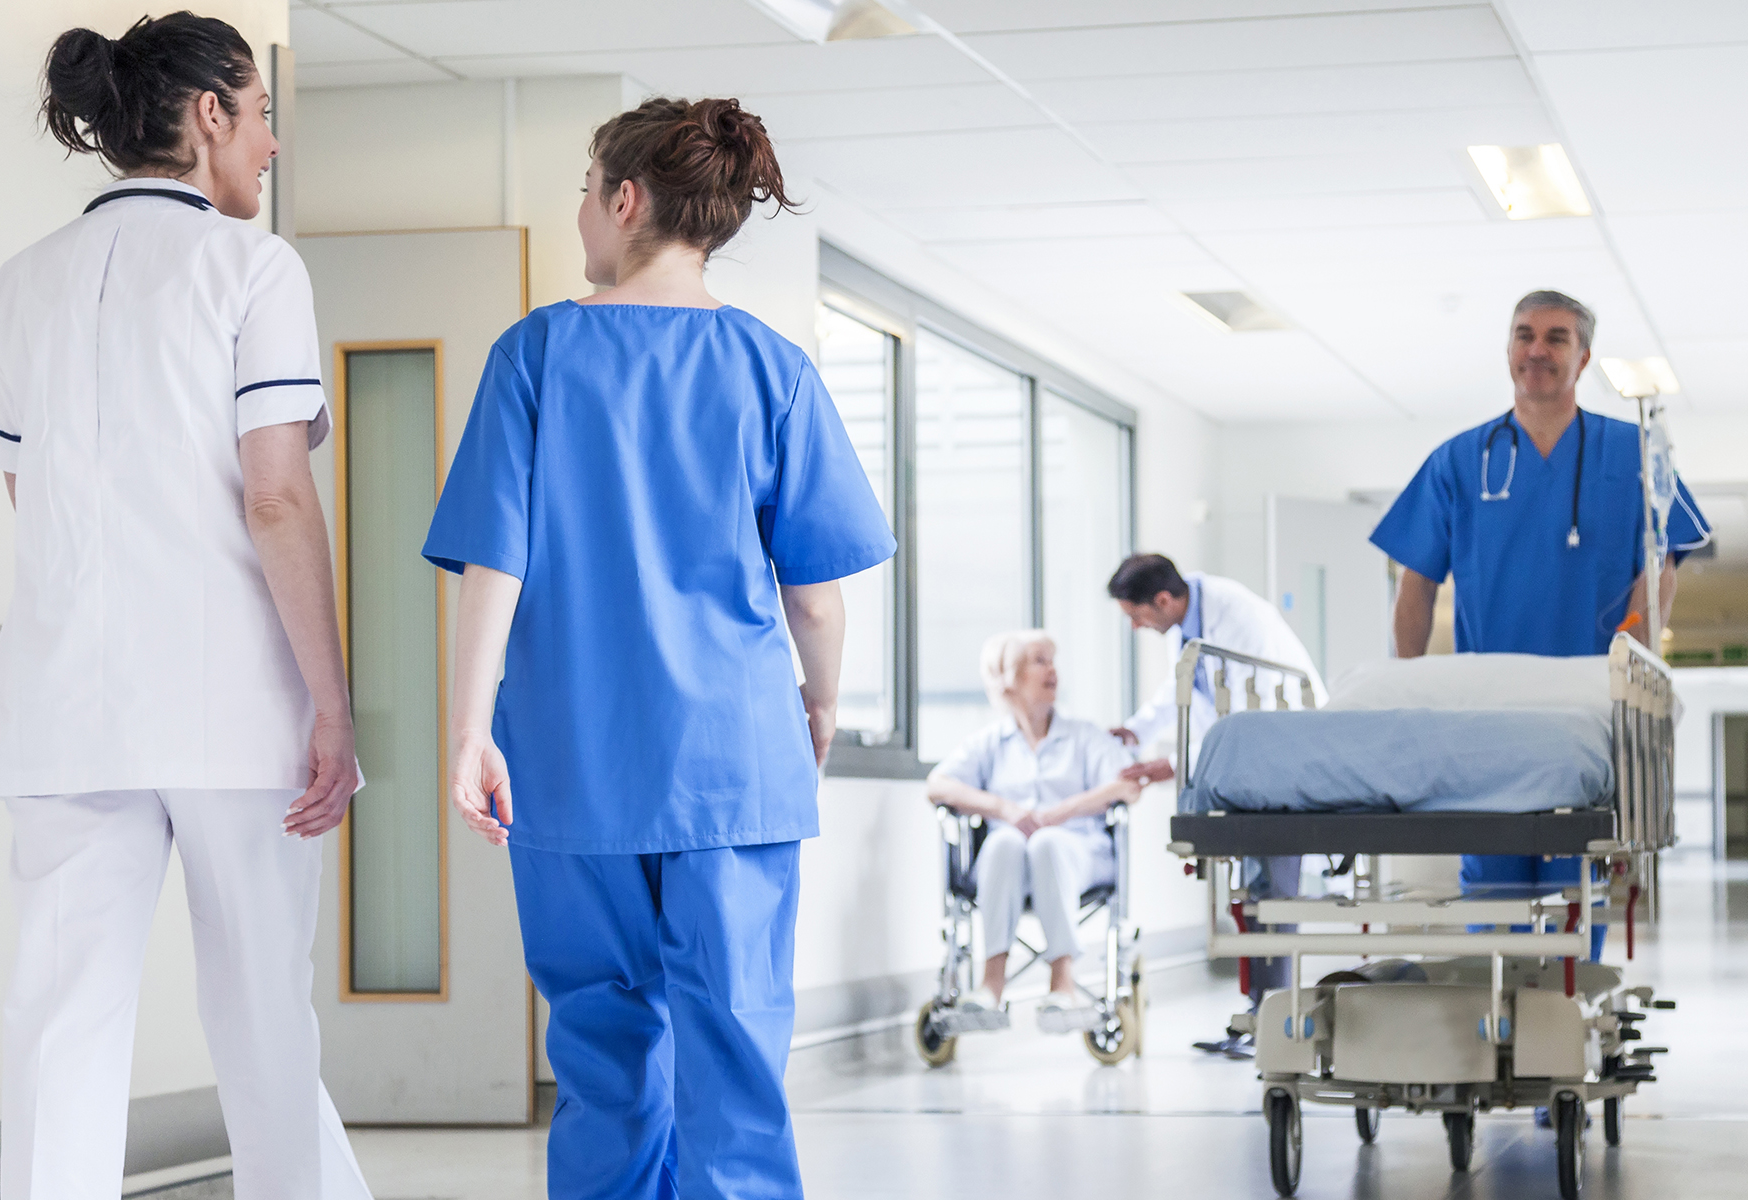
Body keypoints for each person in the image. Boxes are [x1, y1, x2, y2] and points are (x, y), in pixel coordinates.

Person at [423, 97, 894, 1200]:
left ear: (624, 199)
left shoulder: (534, 354)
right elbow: (815, 602)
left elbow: (497, 565)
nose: (583, 214)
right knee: (733, 1054)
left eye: (587, 190)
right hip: (734, 766)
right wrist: (815, 708)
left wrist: (467, 735)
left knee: (601, 1052)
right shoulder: (771, 368)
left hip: (572, 765)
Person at [0, 14, 370, 1199]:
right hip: (229, 706)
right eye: (259, 115)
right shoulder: (254, 269)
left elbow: (20, 481)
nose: (271, 144)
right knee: (260, 1018)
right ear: (209, 117)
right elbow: (280, 500)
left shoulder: (25, 279)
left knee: (60, 1023)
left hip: (61, 703)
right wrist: (333, 708)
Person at [1368, 289, 1710, 959]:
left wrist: (1634, 642)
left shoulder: (1634, 451)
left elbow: (1664, 561)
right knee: (1492, 894)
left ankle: (1566, 1019)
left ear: (1583, 358)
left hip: (1587, 710)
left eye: (1556, 338)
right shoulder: (1461, 461)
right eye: (1524, 334)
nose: (1537, 350)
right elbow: (1416, 586)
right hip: (1487, 716)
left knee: (1577, 884)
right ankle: (1497, 1029)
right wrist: (1406, 691)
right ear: (1507, 352)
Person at [1104, 553, 1324, 1057]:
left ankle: (1276, 1019)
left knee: (1273, 896)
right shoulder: (1188, 623)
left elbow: (1249, 716)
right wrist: (1137, 730)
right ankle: (1256, 1014)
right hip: (1246, 774)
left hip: (1282, 763)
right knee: (1251, 897)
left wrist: (1175, 767)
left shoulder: (1238, 619)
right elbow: (1185, 689)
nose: (1137, 627)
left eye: (1136, 616)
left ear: (1162, 600)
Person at [926, 632, 1143, 1034]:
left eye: (1052, 660)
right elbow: (937, 786)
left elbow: (1127, 785)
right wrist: (1004, 809)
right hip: (1005, 865)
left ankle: (1063, 982)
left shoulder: (1084, 737)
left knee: (1046, 841)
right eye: (1039, 660)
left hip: (1077, 854)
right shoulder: (991, 743)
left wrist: (1059, 813)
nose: (1052, 670)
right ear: (1008, 677)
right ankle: (991, 983)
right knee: (1006, 839)